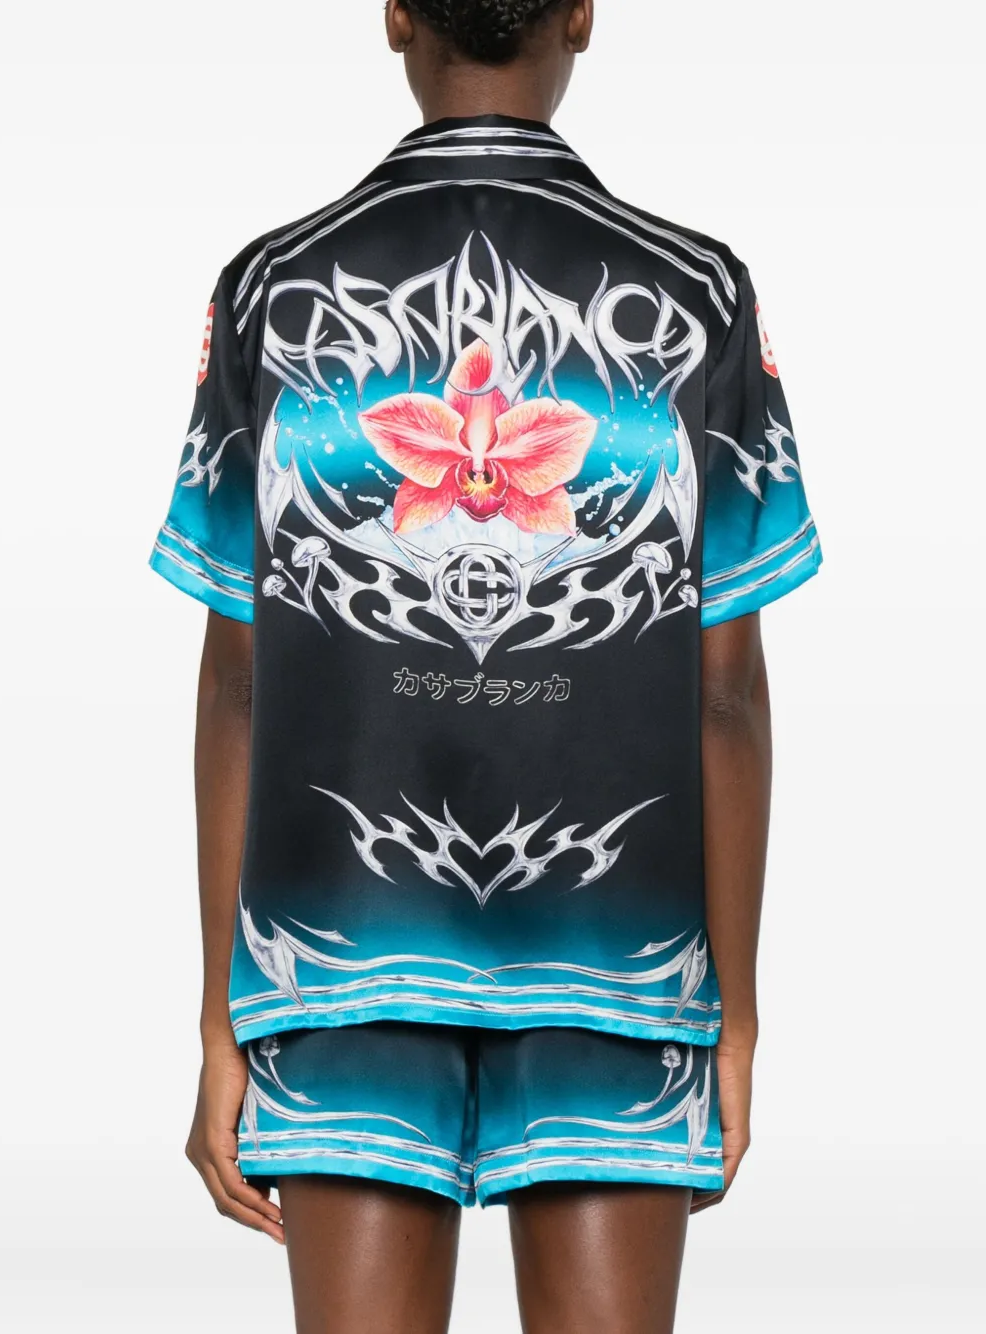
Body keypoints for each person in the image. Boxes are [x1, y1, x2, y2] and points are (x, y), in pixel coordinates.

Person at [149, 2, 821, 1330]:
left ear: (394, 14)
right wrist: (730, 1018)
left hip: (335, 961)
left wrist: (225, 1018)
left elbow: (238, 682)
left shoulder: (275, 289)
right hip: (619, 968)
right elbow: (726, 694)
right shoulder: (698, 296)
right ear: (584, 14)